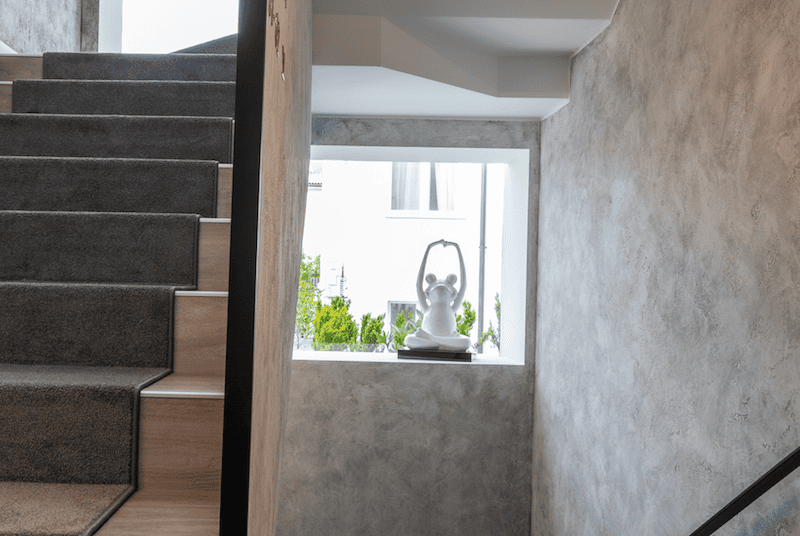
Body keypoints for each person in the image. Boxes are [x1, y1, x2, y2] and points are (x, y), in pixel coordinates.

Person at [403, 239, 471, 351]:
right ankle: (439, 343)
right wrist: (429, 248)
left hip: (444, 338)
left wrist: (457, 247)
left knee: (466, 342)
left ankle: (434, 341)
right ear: (428, 293)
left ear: (453, 294)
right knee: (409, 340)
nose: (441, 287)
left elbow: (464, 284)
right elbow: (418, 284)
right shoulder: (427, 308)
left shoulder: (452, 308)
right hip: (428, 339)